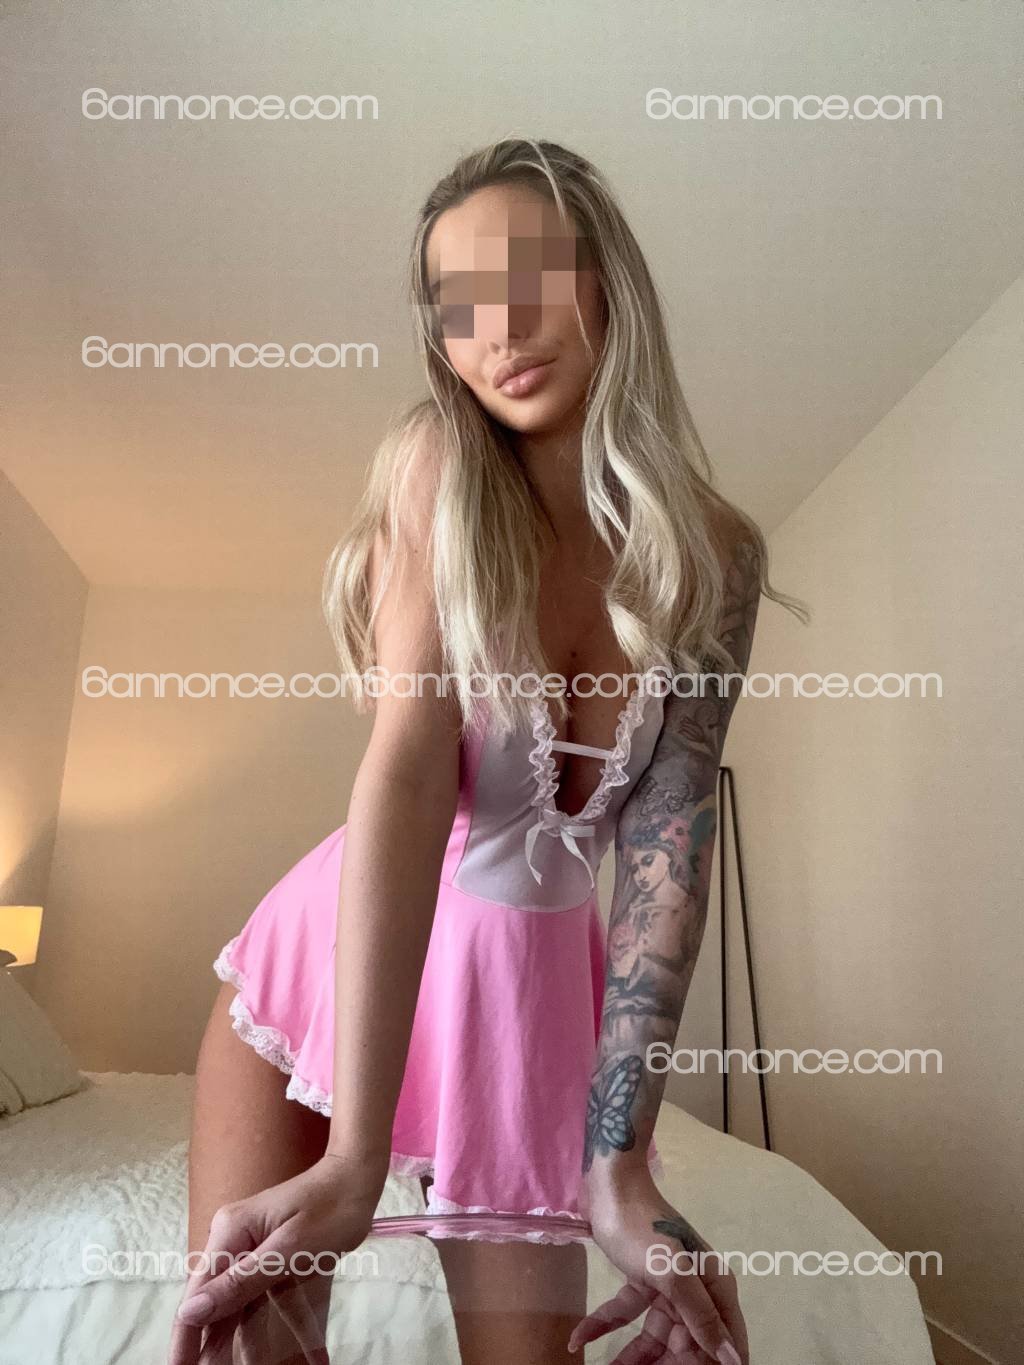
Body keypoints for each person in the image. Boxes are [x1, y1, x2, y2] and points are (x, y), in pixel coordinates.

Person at [169, 136, 805, 1365]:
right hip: (335, 966)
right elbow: (408, 774)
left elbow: (669, 851)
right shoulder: (441, 466)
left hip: (524, 1003)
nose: (497, 330)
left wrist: (619, 1164)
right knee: (255, 1352)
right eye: (457, 304)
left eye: (528, 279)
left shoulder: (717, 555)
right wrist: (355, 1155)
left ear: (607, 282)